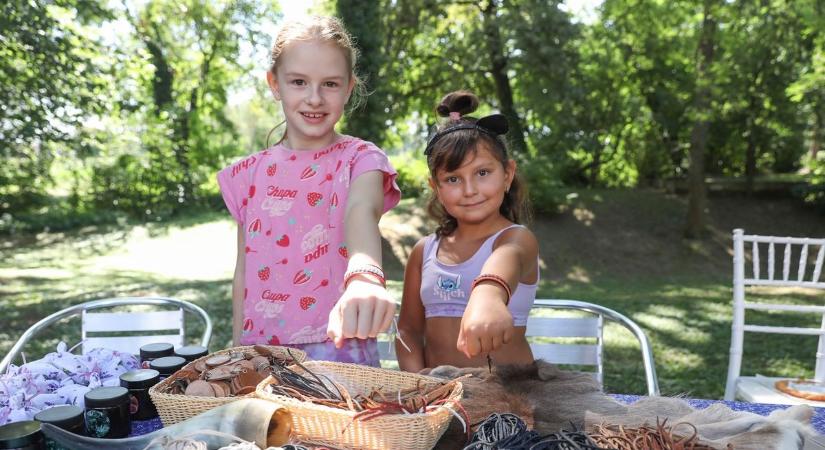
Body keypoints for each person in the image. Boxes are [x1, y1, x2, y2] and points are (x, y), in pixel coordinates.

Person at [217, 16, 401, 366]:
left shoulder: (361, 160)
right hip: (262, 354)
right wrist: (238, 349)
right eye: (299, 82)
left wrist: (365, 278)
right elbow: (243, 272)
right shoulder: (247, 174)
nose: (314, 98)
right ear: (275, 84)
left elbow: (361, 212)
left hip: (341, 349)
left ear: (349, 88)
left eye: (330, 84)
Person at [396, 91, 539, 372]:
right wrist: (418, 386)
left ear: (508, 174)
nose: (470, 190)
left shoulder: (517, 239)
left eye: (482, 173)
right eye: (453, 178)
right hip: (440, 401)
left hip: (511, 401)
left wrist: (488, 296)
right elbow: (408, 331)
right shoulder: (424, 251)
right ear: (436, 188)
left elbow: (504, 262)